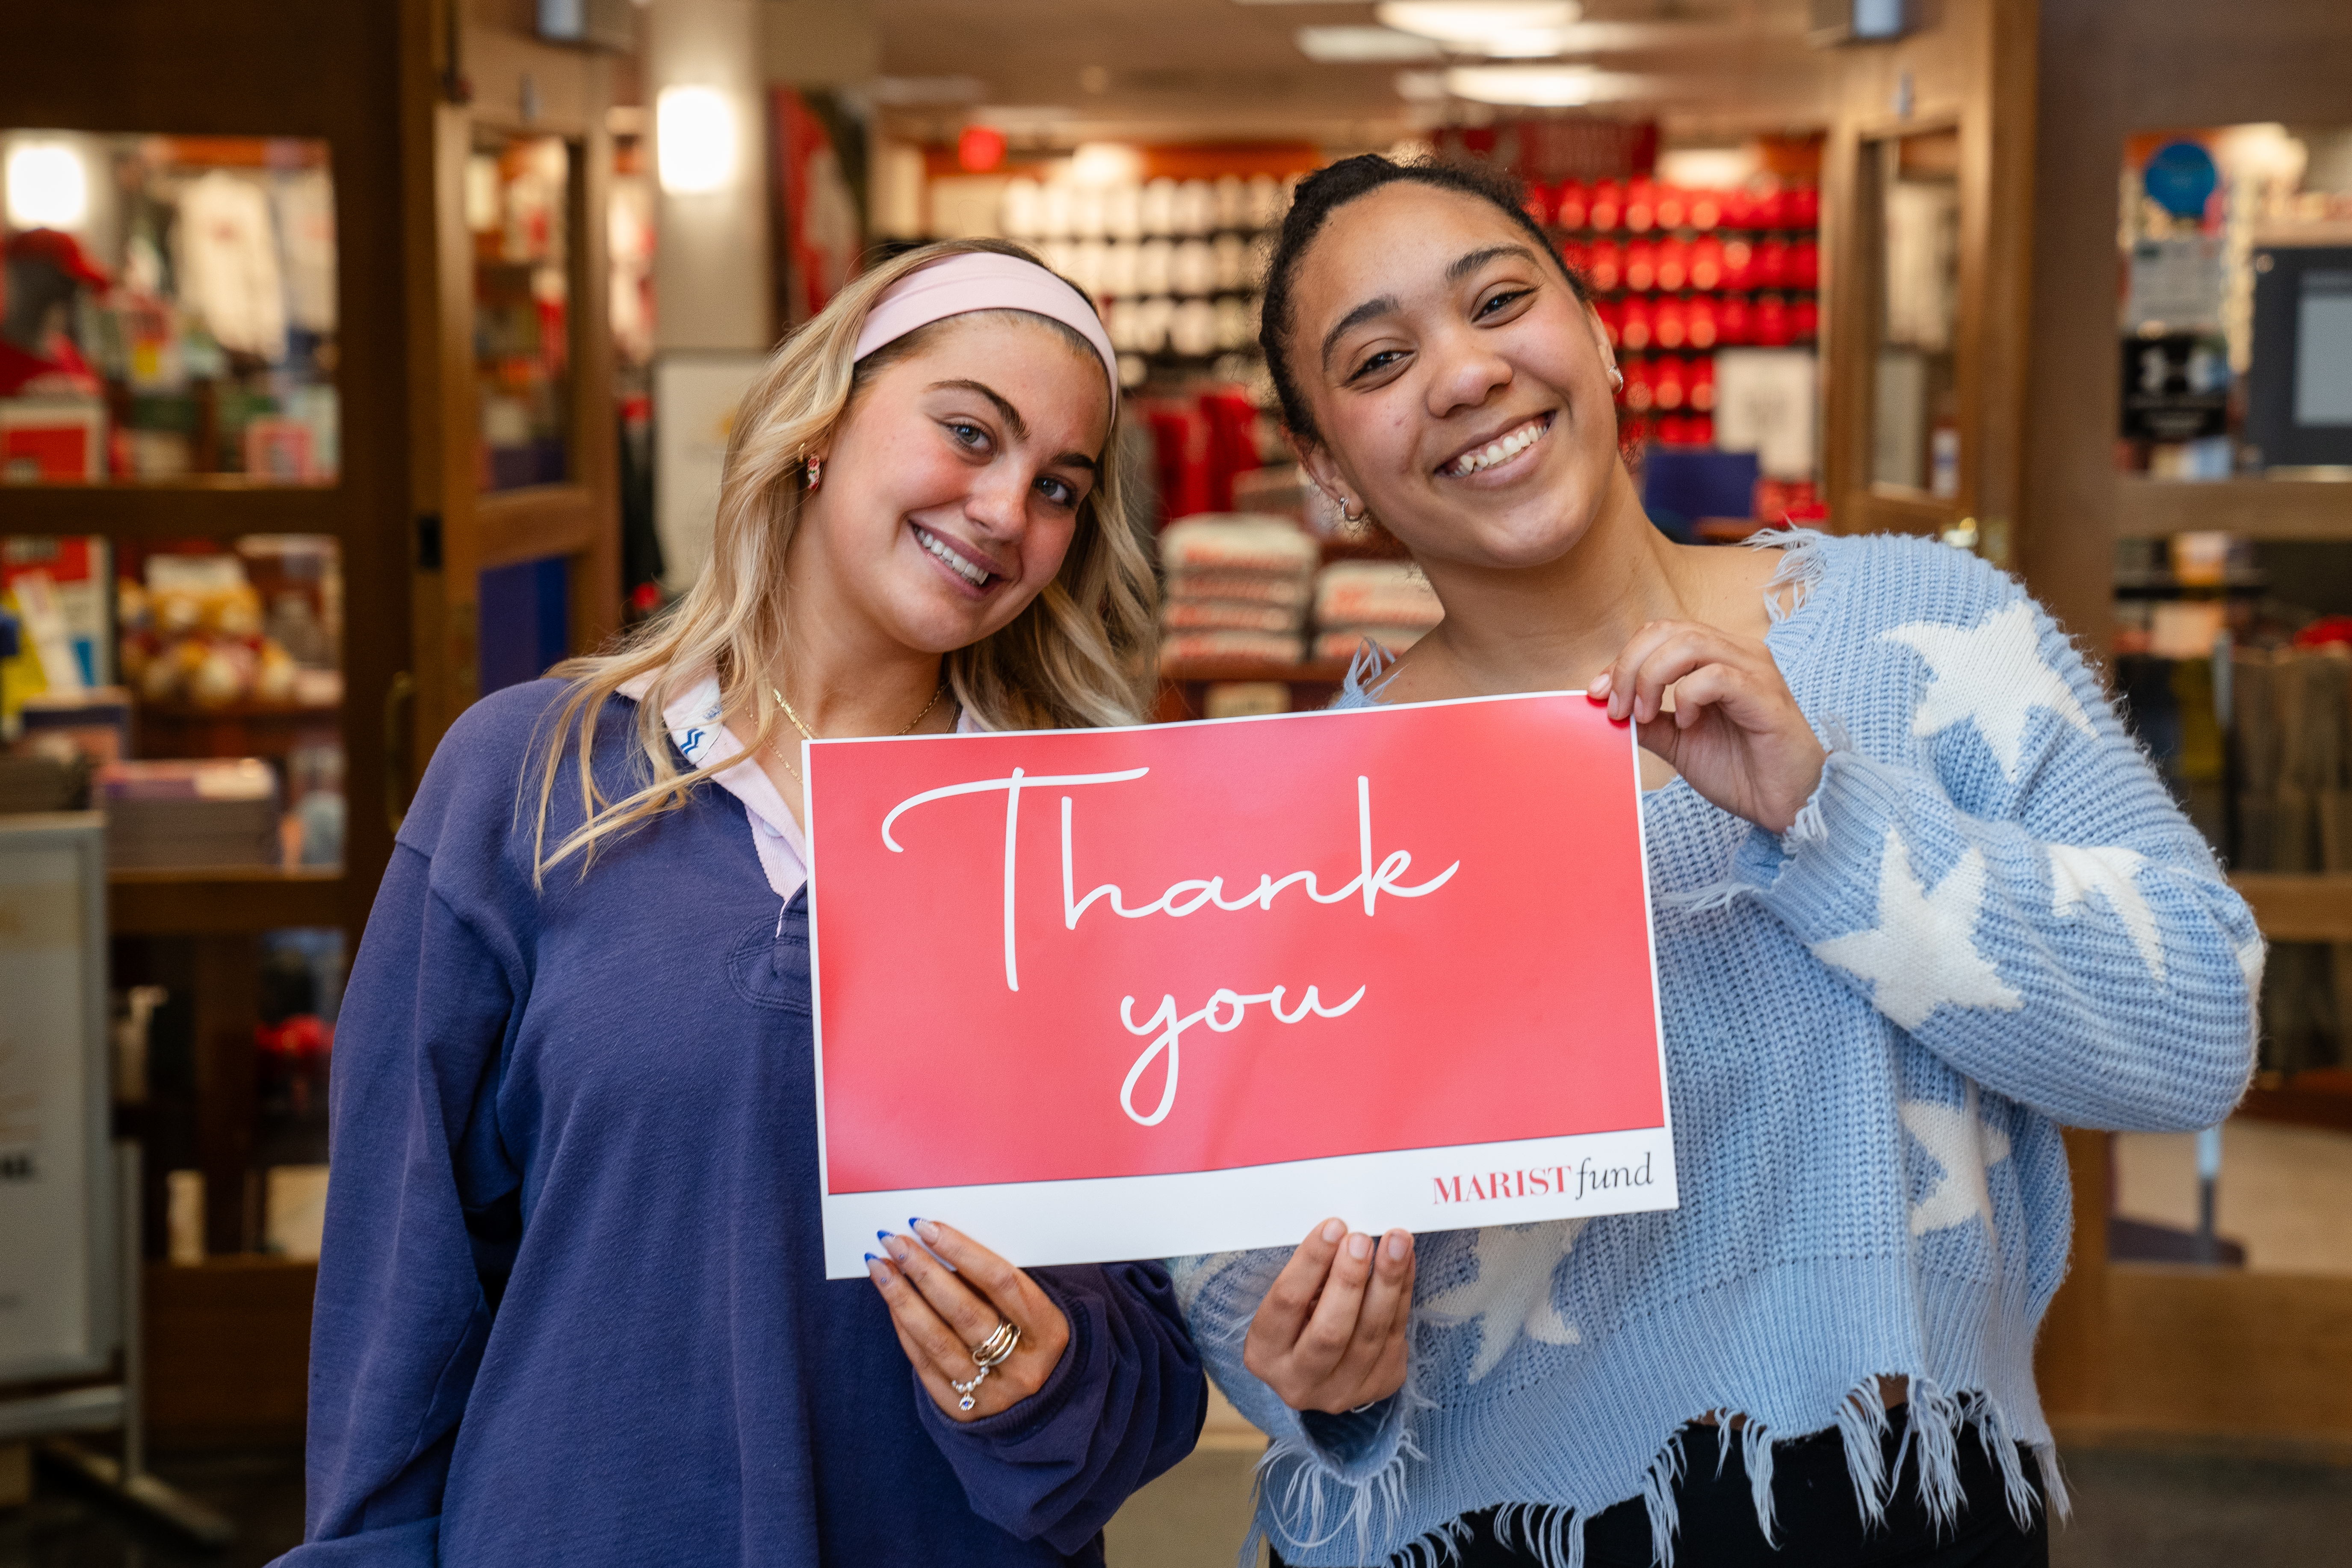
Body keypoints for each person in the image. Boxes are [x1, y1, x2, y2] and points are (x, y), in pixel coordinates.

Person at [1174, 156, 2261, 1568]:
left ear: (1600, 335)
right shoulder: (1307, 821)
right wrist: (1311, 1366)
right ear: (1325, 470)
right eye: (1380, 359)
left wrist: (1828, 816)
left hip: (1888, 1510)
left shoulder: (1917, 629)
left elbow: (2194, 1032)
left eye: (1500, 300)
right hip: (1489, 1532)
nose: (1462, 373)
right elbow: (1225, 1268)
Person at [292, 241, 1203, 1567]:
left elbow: (1151, 1379)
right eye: (968, 431)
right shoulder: (532, 776)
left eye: (1059, 486)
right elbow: (403, 1280)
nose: (1006, 508)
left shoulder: (1085, 846)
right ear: (822, 425)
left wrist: (1042, 1381)